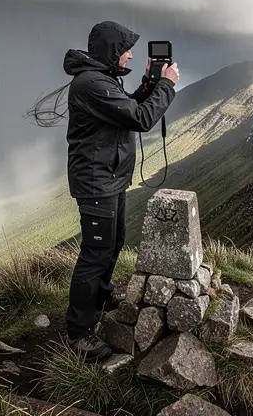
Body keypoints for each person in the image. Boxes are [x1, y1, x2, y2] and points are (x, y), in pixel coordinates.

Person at [61, 20, 179, 361]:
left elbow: (125, 107)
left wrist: (148, 83)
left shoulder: (101, 80)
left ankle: (101, 296)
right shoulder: (91, 84)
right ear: (112, 51)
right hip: (97, 181)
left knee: (113, 241)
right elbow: (140, 118)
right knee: (95, 253)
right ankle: (79, 332)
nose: (129, 55)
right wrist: (167, 86)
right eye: (125, 49)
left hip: (109, 178)